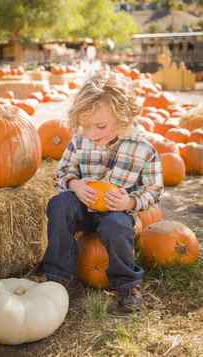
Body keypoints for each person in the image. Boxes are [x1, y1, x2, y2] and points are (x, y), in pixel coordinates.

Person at [42, 71, 163, 313]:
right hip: (82, 208)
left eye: (100, 126)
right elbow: (62, 171)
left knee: (116, 226)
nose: (92, 133)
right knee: (59, 204)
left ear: (124, 118)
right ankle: (58, 279)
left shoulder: (144, 148)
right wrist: (75, 184)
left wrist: (130, 201)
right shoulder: (79, 142)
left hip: (116, 213)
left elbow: (154, 189)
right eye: (85, 126)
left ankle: (127, 286)